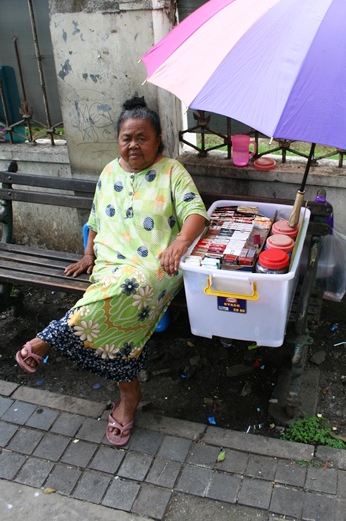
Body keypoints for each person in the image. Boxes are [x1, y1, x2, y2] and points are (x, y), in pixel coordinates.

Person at [15, 95, 209, 446]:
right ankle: (128, 398)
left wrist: (180, 244)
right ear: (118, 141)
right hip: (110, 265)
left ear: (158, 141)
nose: (133, 145)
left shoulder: (172, 172)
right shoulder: (109, 171)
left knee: (131, 288)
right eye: (126, 138)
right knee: (119, 303)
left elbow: (196, 211)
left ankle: (49, 338)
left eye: (141, 138)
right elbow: (95, 218)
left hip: (156, 266)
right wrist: (88, 253)